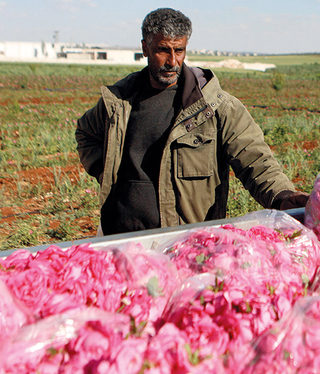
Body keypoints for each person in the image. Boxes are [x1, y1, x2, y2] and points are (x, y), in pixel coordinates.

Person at [76, 7, 308, 236]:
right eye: (163, 50)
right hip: (120, 237)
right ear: (145, 48)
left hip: (186, 241)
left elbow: (255, 159)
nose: (172, 61)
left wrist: (282, 196)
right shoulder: (120, 101)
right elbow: (86, 133)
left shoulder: (215, 106)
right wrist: (106, 173)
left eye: (179, 50)